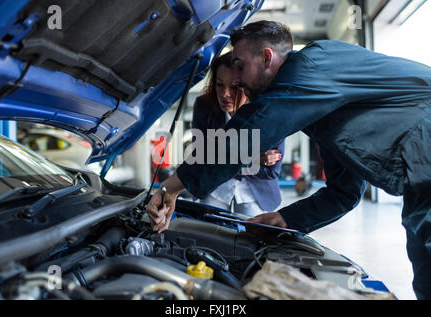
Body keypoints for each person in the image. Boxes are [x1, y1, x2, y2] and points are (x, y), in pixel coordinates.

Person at [146, 20, 431, 299]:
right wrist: (284, 219)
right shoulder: (323, 108)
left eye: (240, 66)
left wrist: (171, 187)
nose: (237, 80)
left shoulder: (312, 66)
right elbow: (343, 193)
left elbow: (248, 133)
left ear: (267, 58)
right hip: (420, 181)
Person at [191, 52, 284, 216]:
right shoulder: (204, 106)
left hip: (256, 192)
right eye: (219, 85)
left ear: (247, 85)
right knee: (208, 235)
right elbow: (199, 155)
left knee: (255, 238)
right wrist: (251, 159)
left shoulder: (267, 110)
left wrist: (221, 156)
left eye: (234, 87)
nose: (225, 94)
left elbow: (271, 171)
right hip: (214, 187)